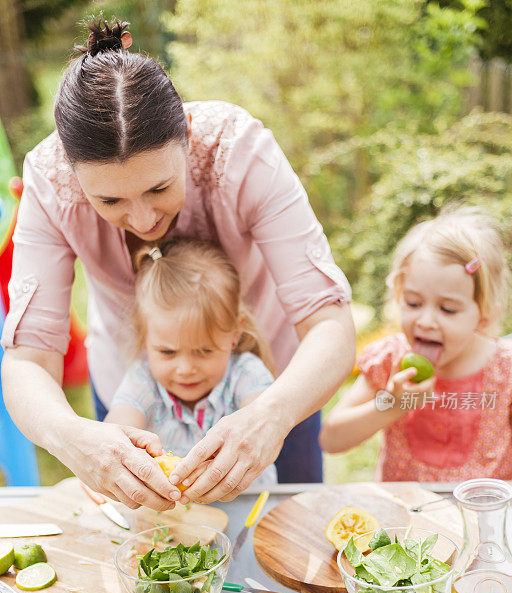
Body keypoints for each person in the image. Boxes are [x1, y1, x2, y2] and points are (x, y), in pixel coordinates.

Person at [1, 17, 355, 511]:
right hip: (135, 386)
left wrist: (272, 415)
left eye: (159, 188)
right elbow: (28, 360)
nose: (142, 219)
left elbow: (330, 323)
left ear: (187, 132)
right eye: (109, 201)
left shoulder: (243, 151)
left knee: (287, 540)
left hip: (274, 393)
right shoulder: (49, 181)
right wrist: (71, 438)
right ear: (73, 171)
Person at [320, 206, 512, 480]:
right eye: (413, 303)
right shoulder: (390, 360)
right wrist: (393, 405)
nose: (426, 321)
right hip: (410, 518)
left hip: (483, 519)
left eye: (447, 309)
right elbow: (331, 439)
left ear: (484, 314)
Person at [105, 237, 277, 488]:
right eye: (167, 352)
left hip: (251, 509)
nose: (185, 370)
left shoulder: (246, 372)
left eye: (204, 351)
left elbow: (264, 412)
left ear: (234, 335)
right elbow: (118, 427)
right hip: (174, 520)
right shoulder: (142, 380)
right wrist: (121, 450)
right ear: (143, 338)